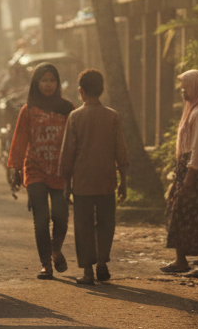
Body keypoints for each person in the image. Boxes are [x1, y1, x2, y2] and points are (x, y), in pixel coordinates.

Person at [59, 68, 129, 285]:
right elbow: (121, 151)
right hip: (107, 181)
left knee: (84, 226)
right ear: (102, 90)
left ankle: (88, 271)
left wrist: (66, 183)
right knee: (106, 224)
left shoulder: (75, 117)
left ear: (81, 92)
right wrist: (123, 181)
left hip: (82, 182)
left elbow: (68, 152)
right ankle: (102, 263)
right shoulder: (112, 116)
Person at [7, 62, 74, 279]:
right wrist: (14, 168)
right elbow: (19, 140)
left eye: (52, 80)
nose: (48, 85)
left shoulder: (68, 109)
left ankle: (55, 250)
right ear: (36, 83)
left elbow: (74, 140)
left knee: (61, 216)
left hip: (60, 170)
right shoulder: (28, 110)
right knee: (41, 217)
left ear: (57, 83)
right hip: (34, 168)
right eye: (43, 80)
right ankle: (46, 264)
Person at [160, 69, 198, 278]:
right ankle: (181, 260)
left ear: (195, 87)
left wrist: (190, 177)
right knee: (180, 213)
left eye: (185, 86)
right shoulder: (192, 110)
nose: (182, 90)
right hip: (189, 168)